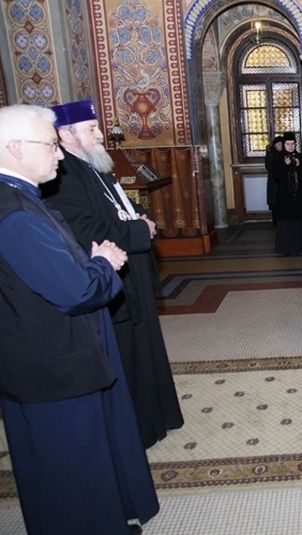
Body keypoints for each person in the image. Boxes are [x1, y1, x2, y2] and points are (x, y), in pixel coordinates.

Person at [0, 104, 159, 534]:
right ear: (15, 148)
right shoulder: (14, 215)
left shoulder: (22, 199)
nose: (57, 155)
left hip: (52, 357)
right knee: (70, 463)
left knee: (80, 459)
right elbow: (77, 292)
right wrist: (104, 264)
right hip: (51, 365)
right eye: (49, 145)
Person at [44, 99, 184, 449]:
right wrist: (139, 231)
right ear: (66, 135)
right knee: (128, 352)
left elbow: (124, 203)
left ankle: (161, 414)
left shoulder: (97, 164)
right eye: (91, 129)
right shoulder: (62, 178)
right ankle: (139, 427)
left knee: (147, 344)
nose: (100, 134)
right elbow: (87, 230)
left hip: (132, 269)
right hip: (112, 272)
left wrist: (142, 218)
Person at [271, 132, 302, 255]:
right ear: (284, 144)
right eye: (287, 144)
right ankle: (286, 248)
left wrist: (300, 166)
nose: (290, 146)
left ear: (296, 144)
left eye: (292, 144)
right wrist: (285, 165)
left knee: (300, 220)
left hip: (300, 196)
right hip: (285, 197)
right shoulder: (278, 158)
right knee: (287, 222)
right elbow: (276, 177)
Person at [265, 135, 283, 218]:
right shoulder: (270, 153)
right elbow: (269, 167)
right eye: (279, 144)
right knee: (274, 201)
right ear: (275, 145)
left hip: (283, 181)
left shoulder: (285, 153)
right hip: (274, 181)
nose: (280, 146)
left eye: (281, 144)